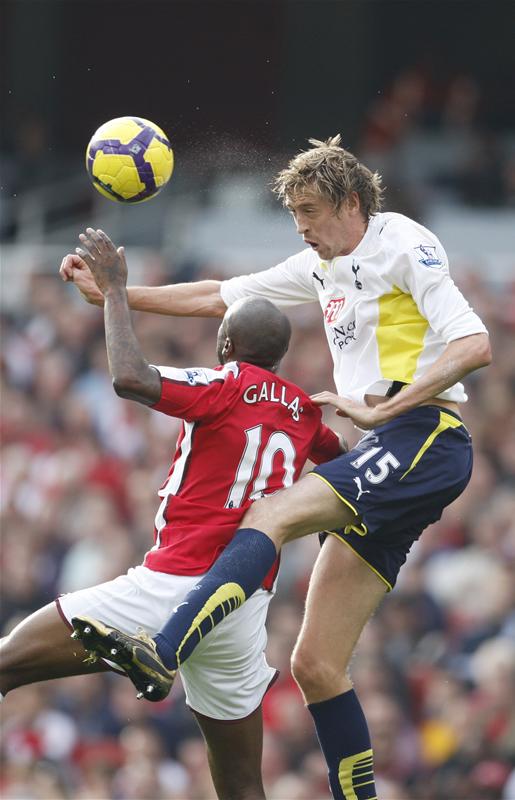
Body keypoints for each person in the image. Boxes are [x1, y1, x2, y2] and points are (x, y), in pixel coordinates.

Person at [61, 136, 492, 800]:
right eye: (293, 214)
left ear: (351, 202)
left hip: (424, 435)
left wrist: (389, 407)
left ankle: (163, 647)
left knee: (270, 512)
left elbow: (474, 343)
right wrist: (116, 294)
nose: (300, 227)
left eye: (309, 211)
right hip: (387, 447)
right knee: (315, 665)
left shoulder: (404, 244)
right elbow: (220, 297)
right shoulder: (323, 266)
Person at [0, 229, 344, 800]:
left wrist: (115, 293)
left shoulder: (227, 383)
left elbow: (131, 377)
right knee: (242, 785)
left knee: (8, 662)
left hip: (175, 585)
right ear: (281, 358)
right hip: (242, 607)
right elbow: (342, 468)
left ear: (225, 345)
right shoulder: (307, 414)